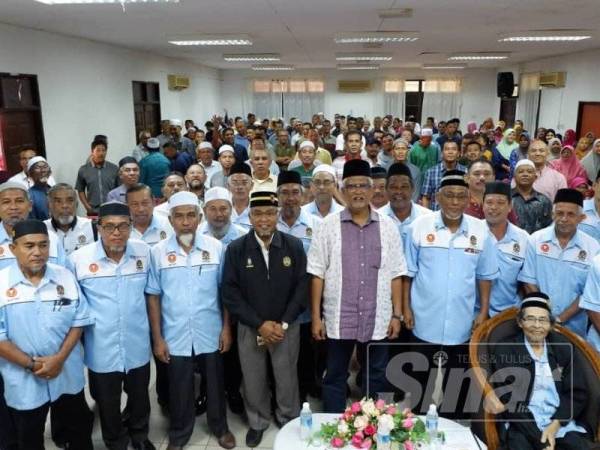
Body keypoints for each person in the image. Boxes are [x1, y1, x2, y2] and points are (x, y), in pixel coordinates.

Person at [308, 159, 405, 413]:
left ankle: (374, 425)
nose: (358, 191)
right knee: (335, 374)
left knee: (376, 373)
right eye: (352, 186)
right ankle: (333, 424)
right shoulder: (327, 226)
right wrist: (316, 317)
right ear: (342, 189)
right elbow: (317, 273)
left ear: (373, 190)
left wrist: (396, 314)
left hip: (379, 315)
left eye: (364, 185)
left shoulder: (388, 227)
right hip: (339, 314)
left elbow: (396, 273)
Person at [146, 192, 236, 450]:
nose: (185, 222)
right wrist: (158, 338)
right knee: (179, 386)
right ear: (171, 220)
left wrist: (226, 329)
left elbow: (225, 293)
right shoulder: (158, 252)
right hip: (174, 333)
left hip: (211, 329)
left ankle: (220, 427)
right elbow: (153, 297)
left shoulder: (216, 248)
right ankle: (180, 432)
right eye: (179, 216)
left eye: (190, 216)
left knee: (216, 383)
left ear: (198, 219)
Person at [404, 170, 498, 415]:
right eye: (449, 196)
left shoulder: (480, 230)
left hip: (462, 320)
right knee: (419, 381)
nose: (455, 202)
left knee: (457, 386)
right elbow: (408, 273)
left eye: (460, 196)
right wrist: (404, 308)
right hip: (424, 318)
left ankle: (451, 429)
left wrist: (483, 312)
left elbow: (485, 277)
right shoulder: (419, 227)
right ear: (438, 197)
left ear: (468, 199)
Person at [222, 191, 309, 448]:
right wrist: (259, 323)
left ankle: (288, 418)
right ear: (249, 217)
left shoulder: (293, 245)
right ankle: (258, 422)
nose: (264, 219)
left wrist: (282, 323)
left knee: (286, 377)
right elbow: (230, 292)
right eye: (258, 213)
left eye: (270, 213)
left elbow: (302, 287)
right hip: (251, 327)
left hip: (285, 326)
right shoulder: (237, 249)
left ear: (277, 214)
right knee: (253, 377)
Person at [0, 219, 94, 450]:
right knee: (29, 438)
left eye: (43, 245)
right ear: (13, 249)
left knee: (79, 432)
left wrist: (59, 359)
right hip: (24, 379)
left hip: (66, 373)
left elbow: (79, 320)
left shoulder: (64, 276)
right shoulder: (1, 283)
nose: (37, 252)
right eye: (29, 246)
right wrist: (33, 365)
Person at [69, 202, 155, 450]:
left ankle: (139, 435)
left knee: (140, 396)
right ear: (99, 227)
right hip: (101, 346)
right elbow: (75, 305)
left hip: (136, 341)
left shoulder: (144, 252)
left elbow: (152, 295)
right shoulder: (79, 259)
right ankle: (114, 439)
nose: (116, 233)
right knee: (107, 400)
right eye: (109, 227)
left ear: (130, 227)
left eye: (122, 226)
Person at [491, 293, 590, 450]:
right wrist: (540, 440)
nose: (537, 325)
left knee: (577, 446)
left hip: (558, 421)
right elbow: (512, 401)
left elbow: (576, 393)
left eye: (543, 320)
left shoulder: (563, 347)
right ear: (520, 322)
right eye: (530, 319)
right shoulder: (506, 350)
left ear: (550, 324)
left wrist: (556, 424)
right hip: (522, 424)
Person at [519, 188, 600, 338]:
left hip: (574, 329)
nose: (564, 218)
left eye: (571, 214)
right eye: (560, 213)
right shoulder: (535, 240)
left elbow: (587, 293)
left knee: (570, 360)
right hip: (537, 323)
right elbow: (529, 281)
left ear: (581, 218)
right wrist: (544, 316)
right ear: (552, 214)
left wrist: (560, 319)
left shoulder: (593, 247)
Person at [276, 171, 322, 400]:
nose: (290, 198)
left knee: (307, 348)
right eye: (284, 193)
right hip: (277, 300)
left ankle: (306, 386)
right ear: (277, 195)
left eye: (295, 192)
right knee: (281, 350)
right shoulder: (269, 222)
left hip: (308, 299)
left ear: (303, 196)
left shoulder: (317, 225)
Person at [482, 182, 529, 316]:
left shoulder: (524, 239)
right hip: (473, 312)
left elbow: (527, 280)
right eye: (489, 202)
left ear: (510, 206)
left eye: (501, 203)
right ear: (482, 205)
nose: (494, 207)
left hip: (509, 313)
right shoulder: (471, 233)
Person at [0, 182, 66, 270]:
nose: (13, 207)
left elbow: (63, 276)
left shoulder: (51, 239)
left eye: (19, 201)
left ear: (30, 205)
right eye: (6, 202)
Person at [378, 163, 431, 242]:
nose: (399, 191)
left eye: (404, 187)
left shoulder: (427, 217)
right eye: (393, 187)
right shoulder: (377, 218)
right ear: (386, 189)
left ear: (412, 188)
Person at [45, 183, 96, 255]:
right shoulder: (41, 229)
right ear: (49, 206)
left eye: (70, 200)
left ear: (77, 204)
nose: (64, 206)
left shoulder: (92, 227)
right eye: (58, 201)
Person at [464, 158, 518, 224]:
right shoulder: (458, 201)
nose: (482, 178)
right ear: (466, 178)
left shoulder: (502, 201)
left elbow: (513, 228)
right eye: (477, 174)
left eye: (486, 174)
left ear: (493, 178)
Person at [75, 138, 119, 215]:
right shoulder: (84, 169)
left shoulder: (114, 168)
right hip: (93, 211)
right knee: (94, 227)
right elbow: (80, 190)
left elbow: (119, 188)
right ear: (92, 151)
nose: (101, 153)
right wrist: (87, 206)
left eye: (103, 150)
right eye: (98, 150)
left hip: (111, 209)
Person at [421, 141, 466, 211]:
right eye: (447, 149)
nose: (450, 152)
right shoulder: (431, 172)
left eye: (453, 149)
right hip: (436, 216)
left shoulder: (466, 172)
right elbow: (426, 197)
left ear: (458, 153)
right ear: (442, 153)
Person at [511, 159, 553, 234]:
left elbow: (549, 228)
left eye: (529, 172)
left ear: (535, 177)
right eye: (521, 172)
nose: (525, 174)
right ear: (514, 176)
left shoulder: (544, 200)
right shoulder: (506, 198)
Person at [228, 162, 253, 231]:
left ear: (252, 185)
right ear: (228, 186)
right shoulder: (223, 208)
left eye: (244, 183)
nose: (239, 187)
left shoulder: (256, 208)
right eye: (235, 183)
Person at [26, 156, 52, 220]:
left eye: (45, 167)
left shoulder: (55, 190)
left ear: (50, 172)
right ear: (30, 173)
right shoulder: (29, 195)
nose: (43, 170)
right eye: (38, 168)